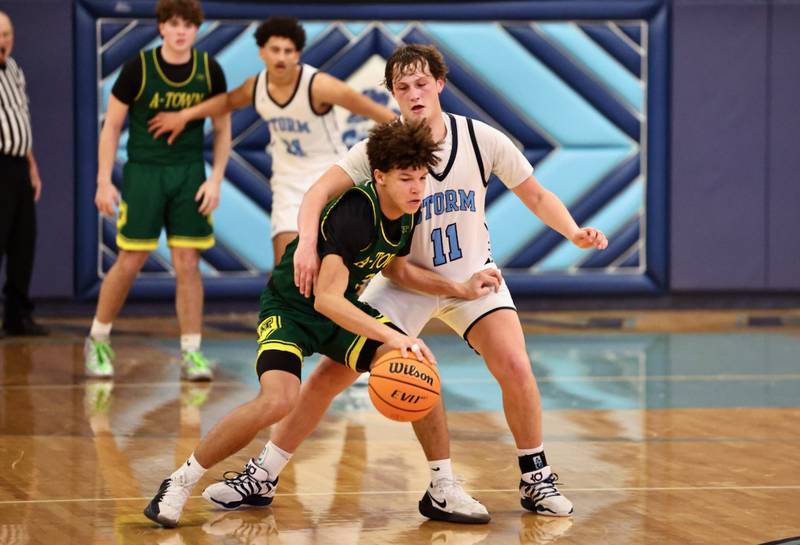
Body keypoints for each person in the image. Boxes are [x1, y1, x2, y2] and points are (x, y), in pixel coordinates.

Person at [205, 44, 609, 520]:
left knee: (516, 366)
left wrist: (573, 231)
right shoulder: (380, 148)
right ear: (393, 94)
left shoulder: (482, 140)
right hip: (403, 282)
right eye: (402, 87)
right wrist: (309, 244)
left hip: (471, 280)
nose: (413, 93)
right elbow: (316, 193)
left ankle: (535, 480)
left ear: (440, 83)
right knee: (327, 378)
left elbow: (536, 195)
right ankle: (264, 474)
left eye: (421, 83)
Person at [143, 119, 500, 528]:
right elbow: (326, 300)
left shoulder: (406, 213)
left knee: (419, 363)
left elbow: (398, 273)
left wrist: (461, 288)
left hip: (340, 306)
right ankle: (179, 482)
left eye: (421, 178)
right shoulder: (355, 213)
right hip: (293, 309)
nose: (417, 188)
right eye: (406, 179)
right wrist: (390, 334)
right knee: (278, 399)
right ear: (379, 176)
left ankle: (442, 486)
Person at [148, 15, 396, 266]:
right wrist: (183, 115)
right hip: (288, 183)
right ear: (262, 53)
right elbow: (225, 102)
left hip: (329, 177)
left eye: (288, 51)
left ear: (297, 55)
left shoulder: (319, 85)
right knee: (285, 270)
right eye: (275, 50)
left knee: (339, 267)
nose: (281, 57)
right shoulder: (254, 87)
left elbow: (379, 114)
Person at [83, 0, 231, 380]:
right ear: (161, 28)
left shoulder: (209, 70)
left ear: (196, 29)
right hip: (145, 171)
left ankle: (192, 351)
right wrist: (103, 180)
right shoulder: (138, 68)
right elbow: (112, 126)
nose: (181, 31)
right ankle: (98, 338)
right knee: (131, 258)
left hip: (188, 172)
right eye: (174, 24)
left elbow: (223, 128)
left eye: (188, 25)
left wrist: (215, 179)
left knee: (187, 261)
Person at [0, 11, 47, 337]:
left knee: (23, 242)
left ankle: (17, 316)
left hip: (18, 165)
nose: (3, 40)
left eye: (7, 34)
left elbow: (22, 119)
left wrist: (32, 167)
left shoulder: (15, 69)